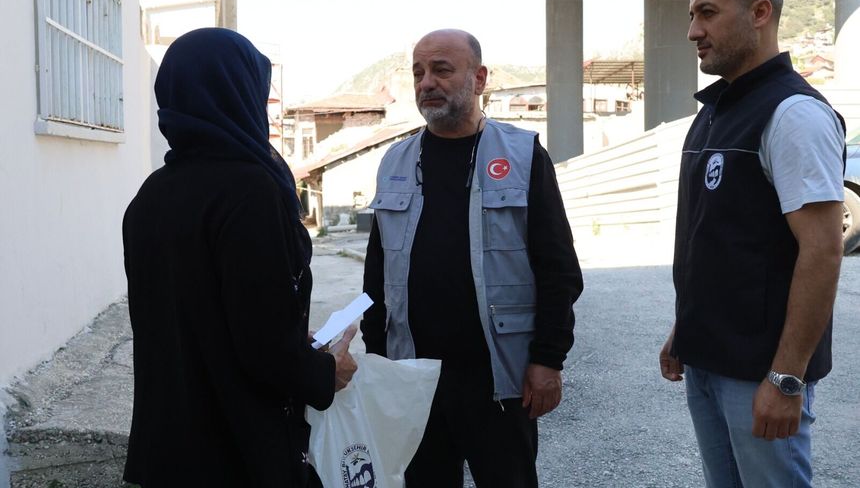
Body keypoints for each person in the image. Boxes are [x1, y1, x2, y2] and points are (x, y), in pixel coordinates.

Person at [122, 28, 357, 487]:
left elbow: (199, 314)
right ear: (237, 95)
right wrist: (326, 371)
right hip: (235, 449)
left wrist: (289, 332)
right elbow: (263, 349)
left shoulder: (151, 195)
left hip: (167, 448)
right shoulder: (251, 191)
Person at [360, 29, 583, 488]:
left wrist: (548, 358)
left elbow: (558, 268)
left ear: (479, 78)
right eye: (418, 73)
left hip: (498, 377)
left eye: (441, 70)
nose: (427, 82)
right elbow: (377, 273)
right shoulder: (394, 161)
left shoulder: (522, 155)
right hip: (415, 377)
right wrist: (378, 360)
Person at [659, 0, 846, 486]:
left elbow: (823, 251)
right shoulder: (715, 112)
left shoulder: (794, 114)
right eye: (692, 14)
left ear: (760, 12)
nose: (693, 30)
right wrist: (686, 328)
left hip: (761, 373)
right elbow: (717, 239)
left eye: (707, 13)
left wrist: (786, 378)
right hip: (707, 361)